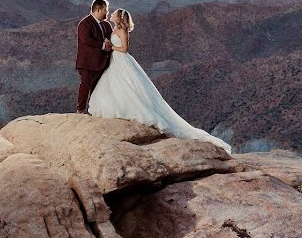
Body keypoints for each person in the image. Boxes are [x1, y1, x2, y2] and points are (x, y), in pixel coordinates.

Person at [88, 8, 232, 153]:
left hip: (121, 60)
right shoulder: (115, 29)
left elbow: (125, 49)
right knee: (116, 86)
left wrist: (111, 46)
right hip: (115, 60)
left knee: (128, 86)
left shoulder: (122, 31)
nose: (111, 14)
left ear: (119, 18)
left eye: (114, 14)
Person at [75, 0, 113, 114]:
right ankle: (80, 110)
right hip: (88, 63)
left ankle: (94, 110)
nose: (107, 12)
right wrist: (102, 46)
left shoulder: (106, 25)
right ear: (98, 9)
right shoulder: (85, 23)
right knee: (85, 86)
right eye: (105, 10)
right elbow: (85, 40)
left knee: (98, 89)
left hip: (102, 63)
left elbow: (110, 38)